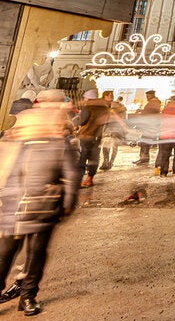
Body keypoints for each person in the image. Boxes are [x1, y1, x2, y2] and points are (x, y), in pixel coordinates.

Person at [0, 89, 80, 316]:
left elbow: (71, 175)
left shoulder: (61, 141)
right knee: (5, 253)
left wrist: (67, 203)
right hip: (14, 205)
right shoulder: (15, 137)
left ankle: (27, 296)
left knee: (34, 254)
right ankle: (22, 294)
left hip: (43, 206)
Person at [73, 89, 110, 187]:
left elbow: (82, 121)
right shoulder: (105, 108)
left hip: (85, 136)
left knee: (82, 159)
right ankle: (90, 179)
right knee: (94, 159)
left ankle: (78, 181)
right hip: (97, 137)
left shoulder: (88, 108)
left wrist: (74, 122)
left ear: (88, 98)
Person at [134, 89, 162, 166]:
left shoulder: (154, 102)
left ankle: (144, 158)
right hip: (149, 125)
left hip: (149, 125)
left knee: (144, 142)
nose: (147, 97)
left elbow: (149, 112)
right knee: (144, 142)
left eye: (148, 96)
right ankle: (143, 158)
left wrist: (142, 112)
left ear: (151, 95)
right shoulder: (153, 102)